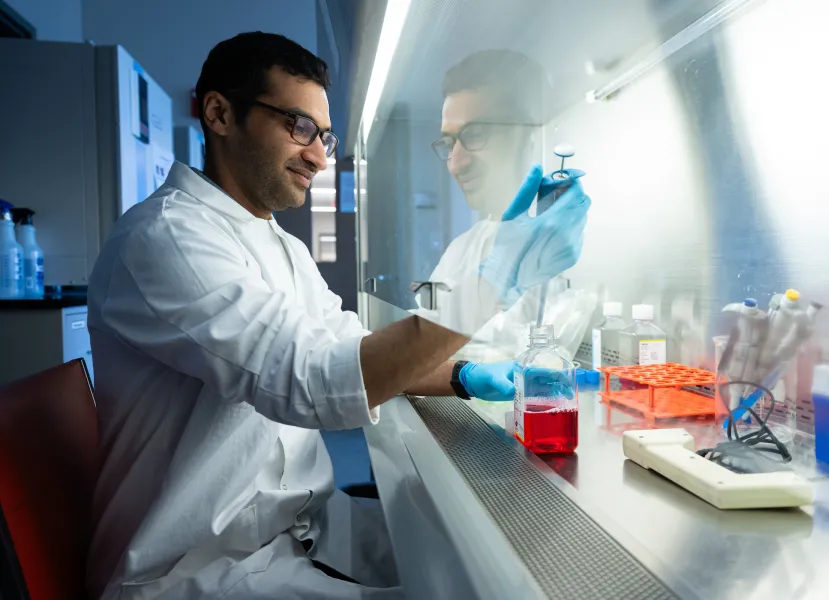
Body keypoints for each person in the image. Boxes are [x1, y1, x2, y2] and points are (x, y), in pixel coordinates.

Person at [85, 33, 590, 600]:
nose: (320, 157)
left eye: (323, 136)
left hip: (299, 529)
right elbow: (313, 382)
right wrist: (490, 284)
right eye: (298, 127)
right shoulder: (168, 239)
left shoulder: (278, 244)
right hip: (197, 568)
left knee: (467, 561)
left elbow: (350, 345)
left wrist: (463, 376)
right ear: (220, 114)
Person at [427, 50, 595, 363]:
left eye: (476, 134)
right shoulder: (460, 251)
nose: (456, 163)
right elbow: (417, 352)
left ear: (532, 134)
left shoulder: (574, 246)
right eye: (450, 143)